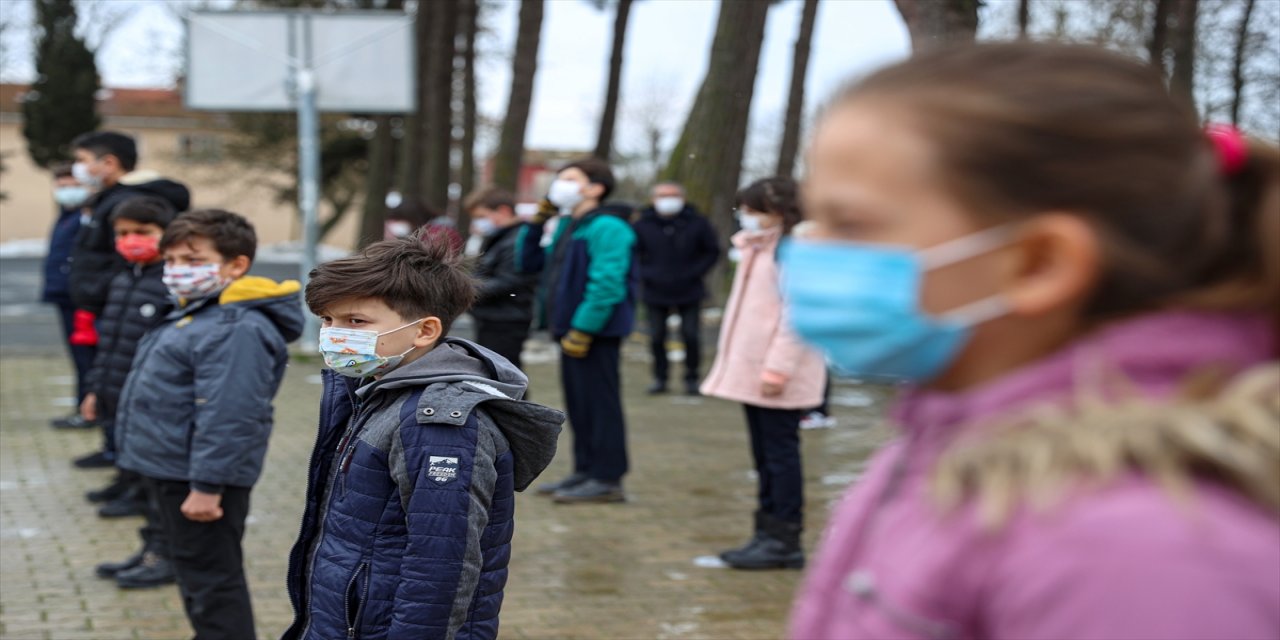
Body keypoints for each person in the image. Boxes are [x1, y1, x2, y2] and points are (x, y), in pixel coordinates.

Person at [784, 42, 1280, 639]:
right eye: (812, 219)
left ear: (1039, 264)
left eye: (851, 224)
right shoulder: (937, 451)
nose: (807, 249)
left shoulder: (1140, 554)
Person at [282, 235, 563, 640]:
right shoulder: (375, 391)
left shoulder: (438, 426)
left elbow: (440, 567)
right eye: (327, 320)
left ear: (425, 330)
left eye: (356, 322)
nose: (333, 334)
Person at [114, 209, 302, 639]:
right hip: (175, 468)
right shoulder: (199, 313)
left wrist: (207, 485)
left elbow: (231, 415)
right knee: (195, 572)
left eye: (193, 260)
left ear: (237, 265)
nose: (177, 270)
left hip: (199, 477)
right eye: (171, 260)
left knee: (212, 580)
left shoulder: (235, 328)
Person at [700, 177, 827, 570]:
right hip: (755, 369)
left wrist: (777, 369)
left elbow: (796, 316)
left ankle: (783, 538)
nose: (747, 216)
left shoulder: (796, 251)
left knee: (779, 456)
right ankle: (766, 533)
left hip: (776, 373)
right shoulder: (759, 246)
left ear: (780, 211)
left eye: (754, 209)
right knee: (765, 455)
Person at [517, 158, 638, 503]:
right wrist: (538, 222)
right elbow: (528, 263)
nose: (560, 184)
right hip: (569, 330)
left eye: (570, 178)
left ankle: (608, 478)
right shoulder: (571, 225)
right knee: (581, 405)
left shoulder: (609, 227)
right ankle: (585, 471)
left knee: (600, 405)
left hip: (595, 333)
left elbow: (607, 284)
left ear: (595, 188)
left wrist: (584, 328)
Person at [67, 131, 190, 316]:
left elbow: (127, 258)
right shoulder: (108, 198)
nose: (77, 168)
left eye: (82, 160)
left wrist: (106, 293)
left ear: (109, 163)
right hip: (107, 302)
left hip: (118, 304)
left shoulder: (128, 202)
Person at [633, 181, 720, 396]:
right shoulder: (643, 224)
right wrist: (647, 274)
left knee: (691, 335)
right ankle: (660, 378)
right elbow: (634, 254)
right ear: (654, 199)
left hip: (689, 289)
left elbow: (712, 251)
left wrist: (694, 272)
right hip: (654, 290)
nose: (668, 200)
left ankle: (692, 378)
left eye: (673, 195)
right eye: (663, 195)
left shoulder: (697, 222)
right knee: (656, 336)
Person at [42, 164, 97, 429]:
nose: (68, 191)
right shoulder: (66, 216)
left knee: (86, 356)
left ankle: (89, 410)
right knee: (78, 356)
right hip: (64, 296)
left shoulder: (86, 217)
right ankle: (83, 406)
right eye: (62, 186)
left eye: (74, 186)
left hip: (79, 299)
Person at [463, 187, 539, 370]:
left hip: (506, 320)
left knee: (503, 373)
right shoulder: (500, 238)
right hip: (495, 317)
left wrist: (464, 289)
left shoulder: (518, 240)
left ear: (503, 211)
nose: (478, 222)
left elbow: (509, 282)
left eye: (481, 216)